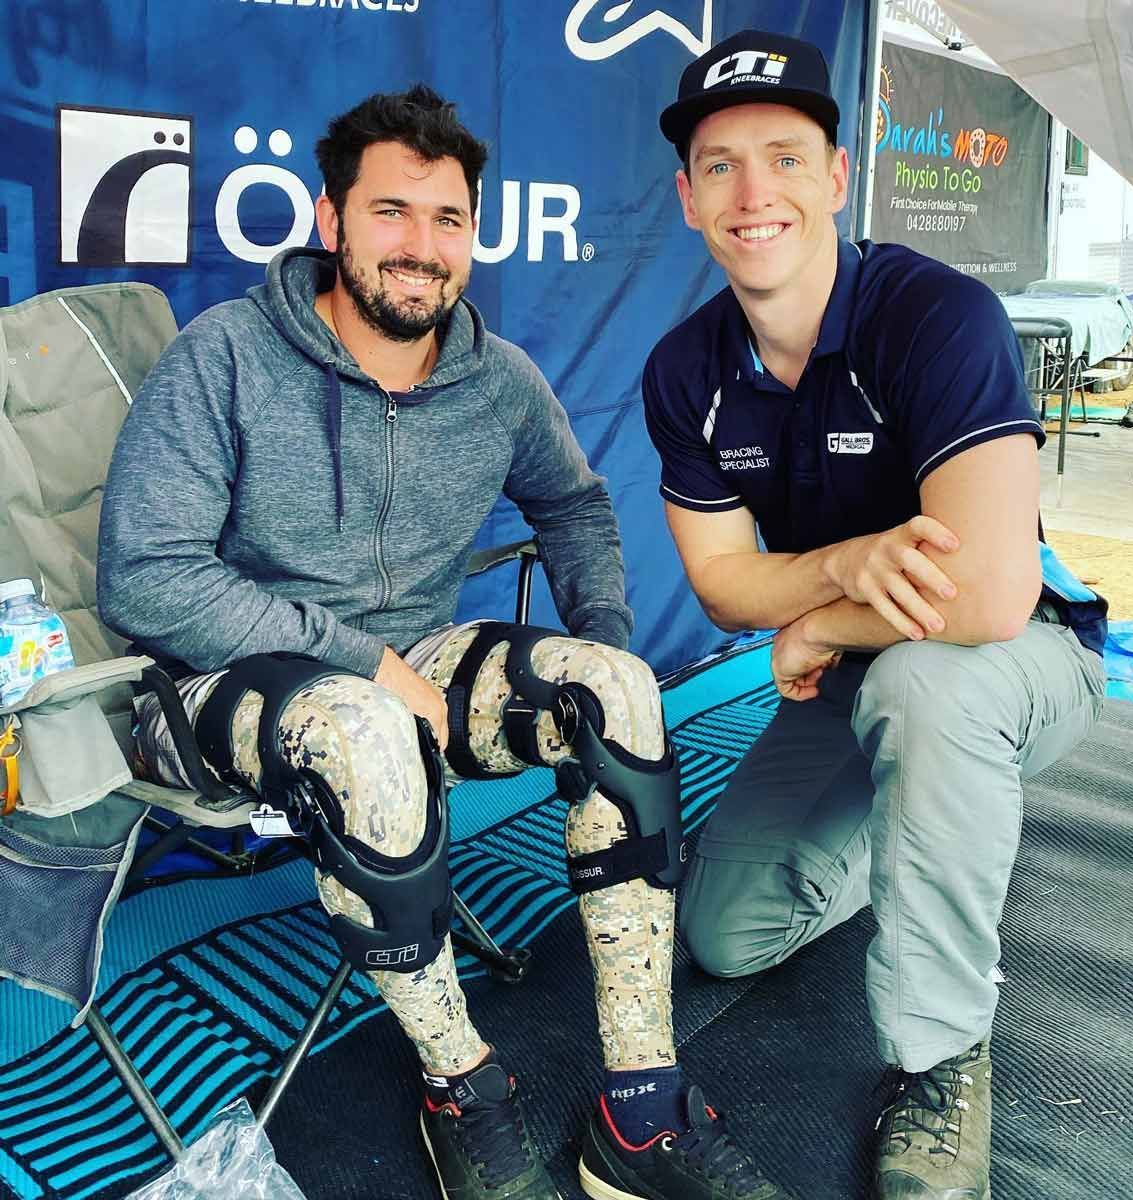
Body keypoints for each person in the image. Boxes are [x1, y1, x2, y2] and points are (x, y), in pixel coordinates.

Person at [98, 86, 796, 1200]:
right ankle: (459, 1083)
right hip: (217, 687)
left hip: (415, 666)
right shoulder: (223, 356)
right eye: (391, 214)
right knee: (370, 729)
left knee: (614, 695)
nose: (421, 249)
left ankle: (641, 1109)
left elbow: (574, 505)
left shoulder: (498, 380)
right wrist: (360, 662)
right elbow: (144, 574)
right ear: (330, 222)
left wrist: (606, 637)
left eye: (449, 221)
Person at [643, 30, 1109, 1200]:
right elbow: (720, 582)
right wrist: (847, 568)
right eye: (721, 165)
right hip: (866, 676)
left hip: (1015, 653)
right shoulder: (684, 369)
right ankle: (925, 832)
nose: (756, 194)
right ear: (688, 196)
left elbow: (991, 591)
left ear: (840, 177)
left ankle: (942, 1054)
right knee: (722, 934)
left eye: (787, 158)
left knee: (925, 686)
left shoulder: (933, 313)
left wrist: (817, 625)